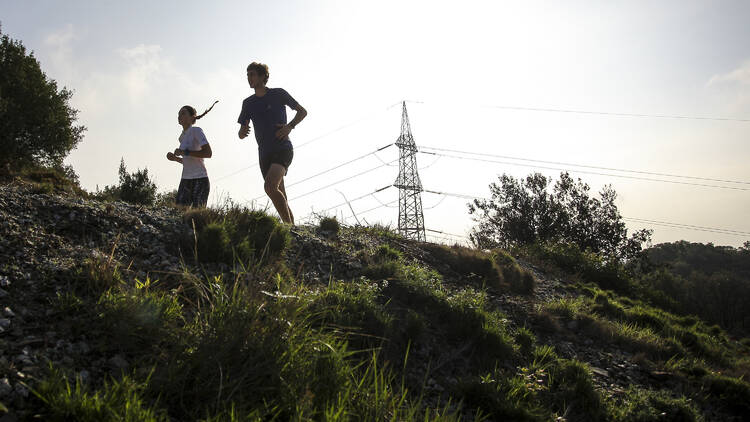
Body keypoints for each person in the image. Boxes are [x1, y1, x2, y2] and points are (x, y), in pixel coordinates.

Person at [237, 62, 307, 224]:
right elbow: (242, 131)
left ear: (263, 76)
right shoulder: (248, 103)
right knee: (279, 193)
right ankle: (293, 231)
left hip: (282, 148)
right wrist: (242, 133)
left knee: (269, 187)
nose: (249, 78)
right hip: (264, 153)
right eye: (247, 75)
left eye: (252, 74)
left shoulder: (278, 94)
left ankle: (288, 227)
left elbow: (302, 112)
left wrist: (290, 126)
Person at [167, 101, 217, 207]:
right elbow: (188, 160)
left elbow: (208, 153)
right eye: (179, 114)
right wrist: (175, 158)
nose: (180, 115)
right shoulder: (181, 137)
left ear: (192, 117)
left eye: (183, 113)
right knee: (179, 213)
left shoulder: (196, 131)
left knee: (196, 216)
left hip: (200, 179)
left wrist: (184, 152)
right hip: (185, 179)